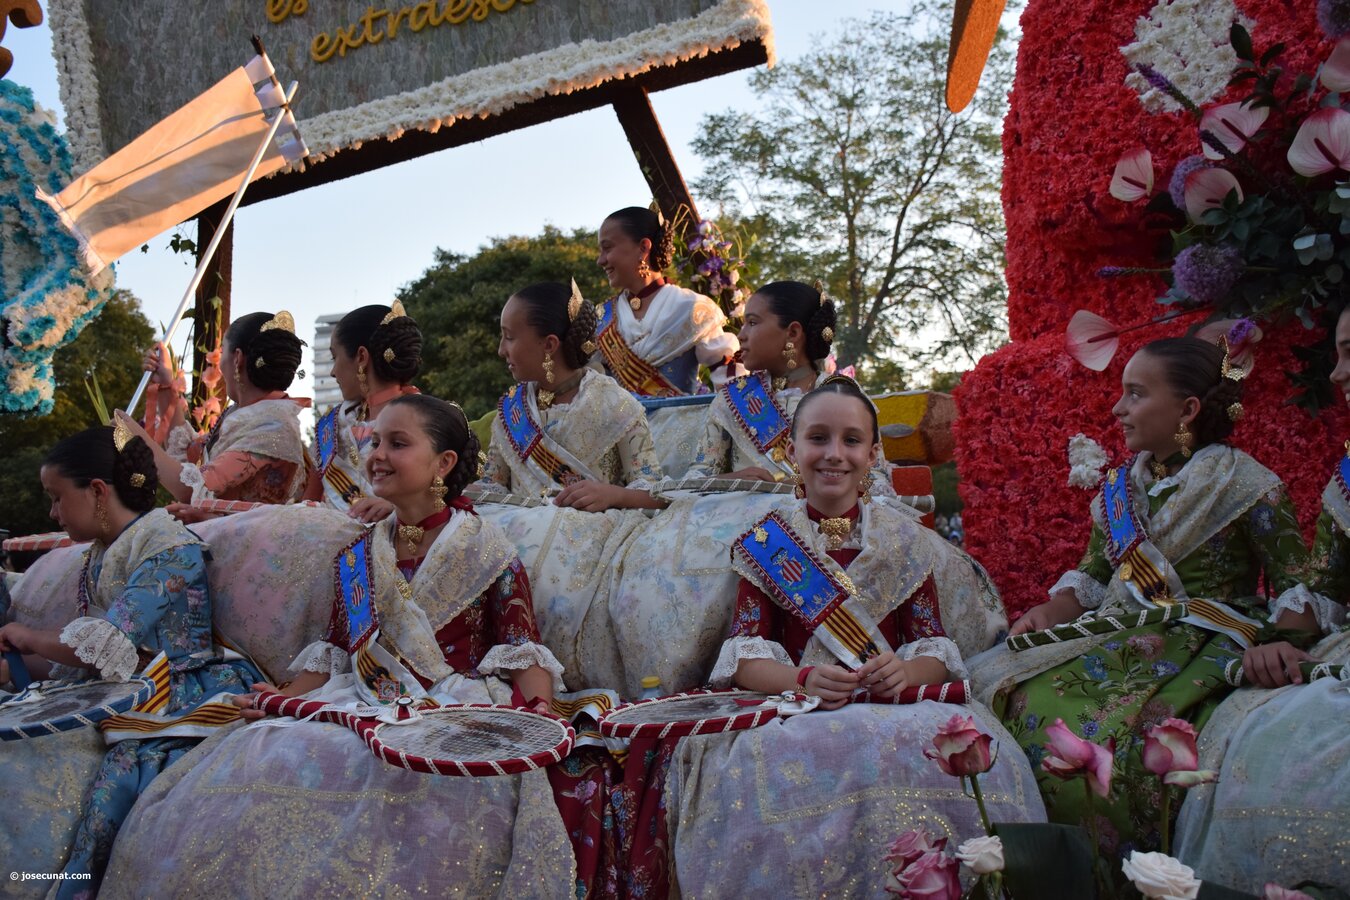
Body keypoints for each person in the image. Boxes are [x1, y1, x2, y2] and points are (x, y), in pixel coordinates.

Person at [102, 395, 577, 897]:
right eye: (374, 441)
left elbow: (522, 647)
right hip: (361, 695)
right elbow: (336, 652)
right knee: (267, 750)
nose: (377, 454)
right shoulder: (359, 552)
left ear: (444, 463)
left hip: (450, 702)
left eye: (398, 443)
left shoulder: (486, 549)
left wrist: (540, 710)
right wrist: (280, 696)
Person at [663, 377, 1044, 894]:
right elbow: (745, 657)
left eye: (851, 440)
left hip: (897, 706)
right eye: (817, 438)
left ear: (872, 453)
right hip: (797, 709)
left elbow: (935, 648)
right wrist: (801, 678)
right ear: (792, 450)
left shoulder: (906, 542)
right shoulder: (764, 544)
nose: (833, 454)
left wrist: (906, 671)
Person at [970, 334, 1317, 861]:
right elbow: (1090, 577)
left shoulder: (1246, 484)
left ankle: (1137, 876)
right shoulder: (1119, 491)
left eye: (1135, 394)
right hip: (1119, 633)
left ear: (1188, 409)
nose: (1118, 408)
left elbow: (1296, 580)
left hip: (1204, 642)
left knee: (1133, 742)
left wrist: (1285, 641)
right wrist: (1047, 612)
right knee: (1008, 695)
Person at [0, 424, 261, 896]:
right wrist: (17, 663)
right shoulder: (105, 551)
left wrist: (27, 636)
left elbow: (105, 640)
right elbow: (91, 656)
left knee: (111, 792)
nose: (53, 512)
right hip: (122, 684)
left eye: (57, 498)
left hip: (175, 687)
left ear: (98, 491)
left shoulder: (169, 549)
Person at [1172, 310, 1350, 893]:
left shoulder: (1247, 480)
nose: (1340, 375)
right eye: (1337, 356)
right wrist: (1280, 641)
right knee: (1265, 740)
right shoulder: (1348, 477)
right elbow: (1320, 587)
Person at [479, 280, 665, 511]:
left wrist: (613, 495)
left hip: (594, 535)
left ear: (549, 344)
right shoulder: (512, 409)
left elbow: (656, 494)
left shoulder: (615, 404)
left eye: (509, 337)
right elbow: (492, 487)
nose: (501, 350)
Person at [116, 310, 309, 521]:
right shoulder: (251, 414)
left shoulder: (273, 425)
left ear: (237, 359)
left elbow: (191, 487)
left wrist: (135, 439)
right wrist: (165, 386)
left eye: (222, 351)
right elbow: (191, 454)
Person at [591, 206, 742, 396]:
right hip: (618, 426)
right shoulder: (602, 317)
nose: (600, 260)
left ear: (643, 247)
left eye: (607, 248)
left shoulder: (692, 307)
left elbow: (733, 384)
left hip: (681, 424)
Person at [303, 300, 422, 522]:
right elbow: (308, 503)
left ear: (361, 357)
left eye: (334, 357)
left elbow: (445, 496)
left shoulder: (426, 418)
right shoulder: (331, 425)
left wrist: (397, 507)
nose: (332, 371)